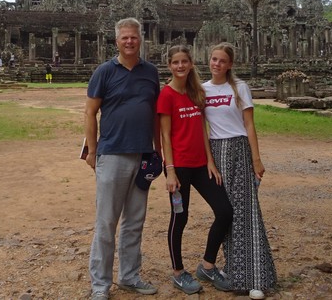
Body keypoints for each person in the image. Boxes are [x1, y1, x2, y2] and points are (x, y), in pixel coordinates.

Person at [84, 18, 161, 300]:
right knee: (106, 222)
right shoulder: (104, 71)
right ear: (116, 41)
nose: (130, 42)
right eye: (125, 38)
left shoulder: (150, 72)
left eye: (134, 37)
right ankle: (100, 285)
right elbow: (90, 113)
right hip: (112, 153)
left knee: (135, 221)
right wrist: (93, 151)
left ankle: (129, 276)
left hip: (142, 154)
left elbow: (155, 115)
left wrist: (158, 151)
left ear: (141, 39)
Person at [203, 42, 277, 300]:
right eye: (214, 59)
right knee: (227, 213)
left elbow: (249, 124)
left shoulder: (240, 87)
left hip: (239, 149)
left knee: (247, 211)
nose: (217, 64)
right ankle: (234, 273)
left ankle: (256, 276)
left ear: (230, 64)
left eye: (222, 61)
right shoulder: (202, 90)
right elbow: (202, 128)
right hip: (216, 153)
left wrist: (256, 159)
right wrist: (209, 160)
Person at [159, 45, 233, 295]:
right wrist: (170, 171)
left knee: (224, 211)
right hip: (178, 167)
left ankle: (207, 265)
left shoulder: (195, 92)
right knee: (180, 217)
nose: (180, 66)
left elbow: (203, 129)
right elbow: (166, 137)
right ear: (169, 65)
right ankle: (178, 272)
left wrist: (210, 161)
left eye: (184, 62)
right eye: (175, 62)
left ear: (191, 64)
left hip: (201, 165)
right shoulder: (166, 95)